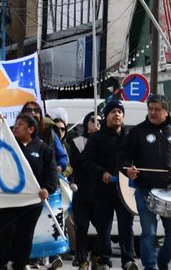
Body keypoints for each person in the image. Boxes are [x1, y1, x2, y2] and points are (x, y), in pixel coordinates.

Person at [119, 95, 171, 270]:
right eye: (150, 109)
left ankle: (163, 261)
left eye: (157, 109)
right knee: (148, 232)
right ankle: (150, 267)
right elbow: (124, 157)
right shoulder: (137, 132)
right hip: (145, 189)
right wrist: (128, 169)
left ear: (166, 111)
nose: (153, 112)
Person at [0, 113, 57, 270]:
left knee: (25, 234)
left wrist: (47, 189)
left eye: (21, 124)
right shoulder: (7, 146)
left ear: (31, 129)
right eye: (15, 123)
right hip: (9, 199)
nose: (16, 126)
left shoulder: (44, 150)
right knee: (7, 231)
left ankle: (19, 264)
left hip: (32, 201)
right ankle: (2, 263)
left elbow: (51, 176)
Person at [82, 101, 136, 270]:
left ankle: (128, 259)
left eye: (120, 111)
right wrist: (101, 173)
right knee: (104, 228)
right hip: (102, 190)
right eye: (113, 111)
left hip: (125, 190)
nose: (117, 114)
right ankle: (105, 260)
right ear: (106, 116)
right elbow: (86, 161)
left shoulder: (130, 137)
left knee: (126, 226)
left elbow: (138, 160)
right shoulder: (96, 138)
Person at [65, 111, 98, 270]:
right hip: (82, 191)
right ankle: (82, 258)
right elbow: (78, 164)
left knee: (103, 228)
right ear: (86, 123)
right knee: (82, 227)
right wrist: (92, 144)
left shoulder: (105, 140)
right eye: (93, 120)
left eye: (100, 121)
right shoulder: (77, 142)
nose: (96, 123)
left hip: (99, 193)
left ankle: (97, 256)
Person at [21, 101, 68, 171]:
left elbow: (62, 157)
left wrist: (59, 167)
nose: (33, 113)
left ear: (40, 115)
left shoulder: (49, 133)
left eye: (36, 111)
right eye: (29, 110)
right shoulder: (16, 132)